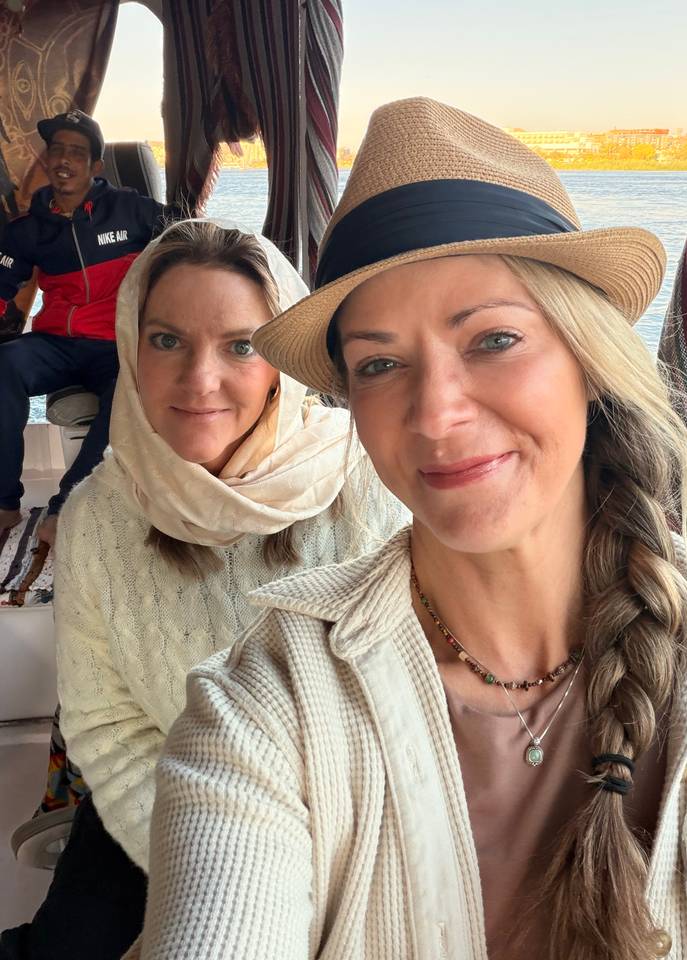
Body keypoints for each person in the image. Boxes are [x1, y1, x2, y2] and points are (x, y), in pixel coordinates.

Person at [137, 100, 687, 960]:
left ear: (590, 361)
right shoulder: (266, 707)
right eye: (379, 364)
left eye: (492, 339)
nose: (438, 414)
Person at [0, 218, 407, 960]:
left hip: (356, 823)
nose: (199, 379)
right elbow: (106, 726)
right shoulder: (97, 515)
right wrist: (216, 867)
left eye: (242, 346)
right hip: (159, 809)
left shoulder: (370, 485)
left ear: (284, 360)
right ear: (130, 347)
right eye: (166, 341)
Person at [0, 109, 180, 545]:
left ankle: (66, 505)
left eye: (77, 152)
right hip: (55, 343)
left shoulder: (131, 210)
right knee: (4, 363)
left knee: (129, 386)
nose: (64, 158)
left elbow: (188, 239)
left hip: (115, 345)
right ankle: (5, 503)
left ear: (96, 166)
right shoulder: (26, 230)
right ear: (46, 160)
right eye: (57, 149)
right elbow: (3, 284)